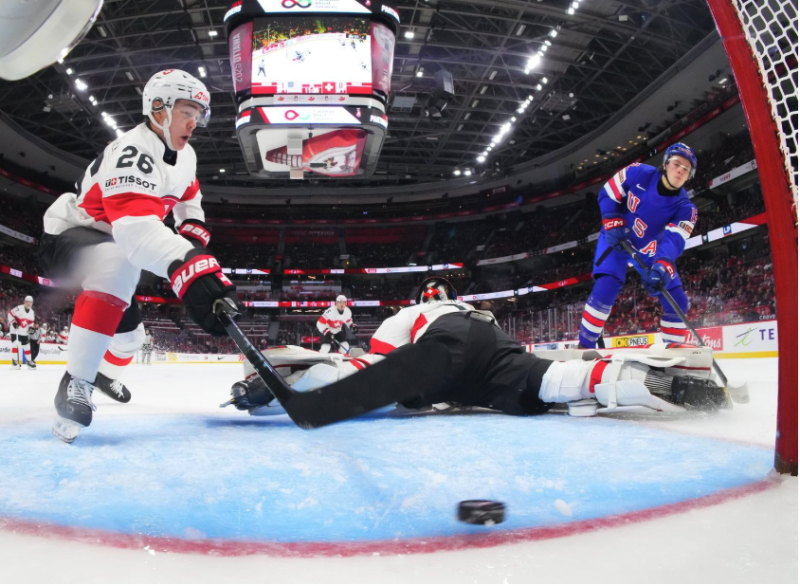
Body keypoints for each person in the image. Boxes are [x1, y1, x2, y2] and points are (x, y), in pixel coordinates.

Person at [39, 69, 242, 443]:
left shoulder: (186, 155)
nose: (194, 122)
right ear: (159, 109)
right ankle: (76, 381)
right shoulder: (132, 151)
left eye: (199, 114)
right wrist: (189, 265)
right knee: (117, 263)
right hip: (71, 236)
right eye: (186, 111)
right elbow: (134, 234)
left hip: (114, 245)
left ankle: (102, 374)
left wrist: (193, 241)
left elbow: (189, 201)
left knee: (131, 338)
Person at [225, 277, 728, 422]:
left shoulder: (411, 313)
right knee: (549, 383)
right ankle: (643, 378)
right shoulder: (472, 308)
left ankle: (282, 376)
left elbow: (376, 360)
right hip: (490, 355)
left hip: (446, 350)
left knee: (368, 373)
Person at [578, 143, 699, 349]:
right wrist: (612, 219)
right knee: (607, 285)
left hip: (650, 251)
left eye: (686, 169)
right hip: (617, 236)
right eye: (677, 163)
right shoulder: (638, 172)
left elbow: (674, 240)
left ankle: (675, 354)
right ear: (666, 163)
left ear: (689, 176)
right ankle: (584, 347)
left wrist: (662, 264)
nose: (680, 170)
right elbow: (608, 193)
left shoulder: (686, 209)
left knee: (677, 300)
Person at [7, 295, 35, 369]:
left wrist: (31, 329)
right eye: (27, 302)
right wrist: (13, 322)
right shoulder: (19, 308)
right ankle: (14, 362)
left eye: (30, 302)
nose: (29, 303)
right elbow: (10, 314)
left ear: (32, 303)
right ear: (24, 302)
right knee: (14, 344)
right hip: (14, 329)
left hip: (23, 331)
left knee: (26, 346)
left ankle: (29, 361)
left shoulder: (32, 312)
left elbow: (31, 323)